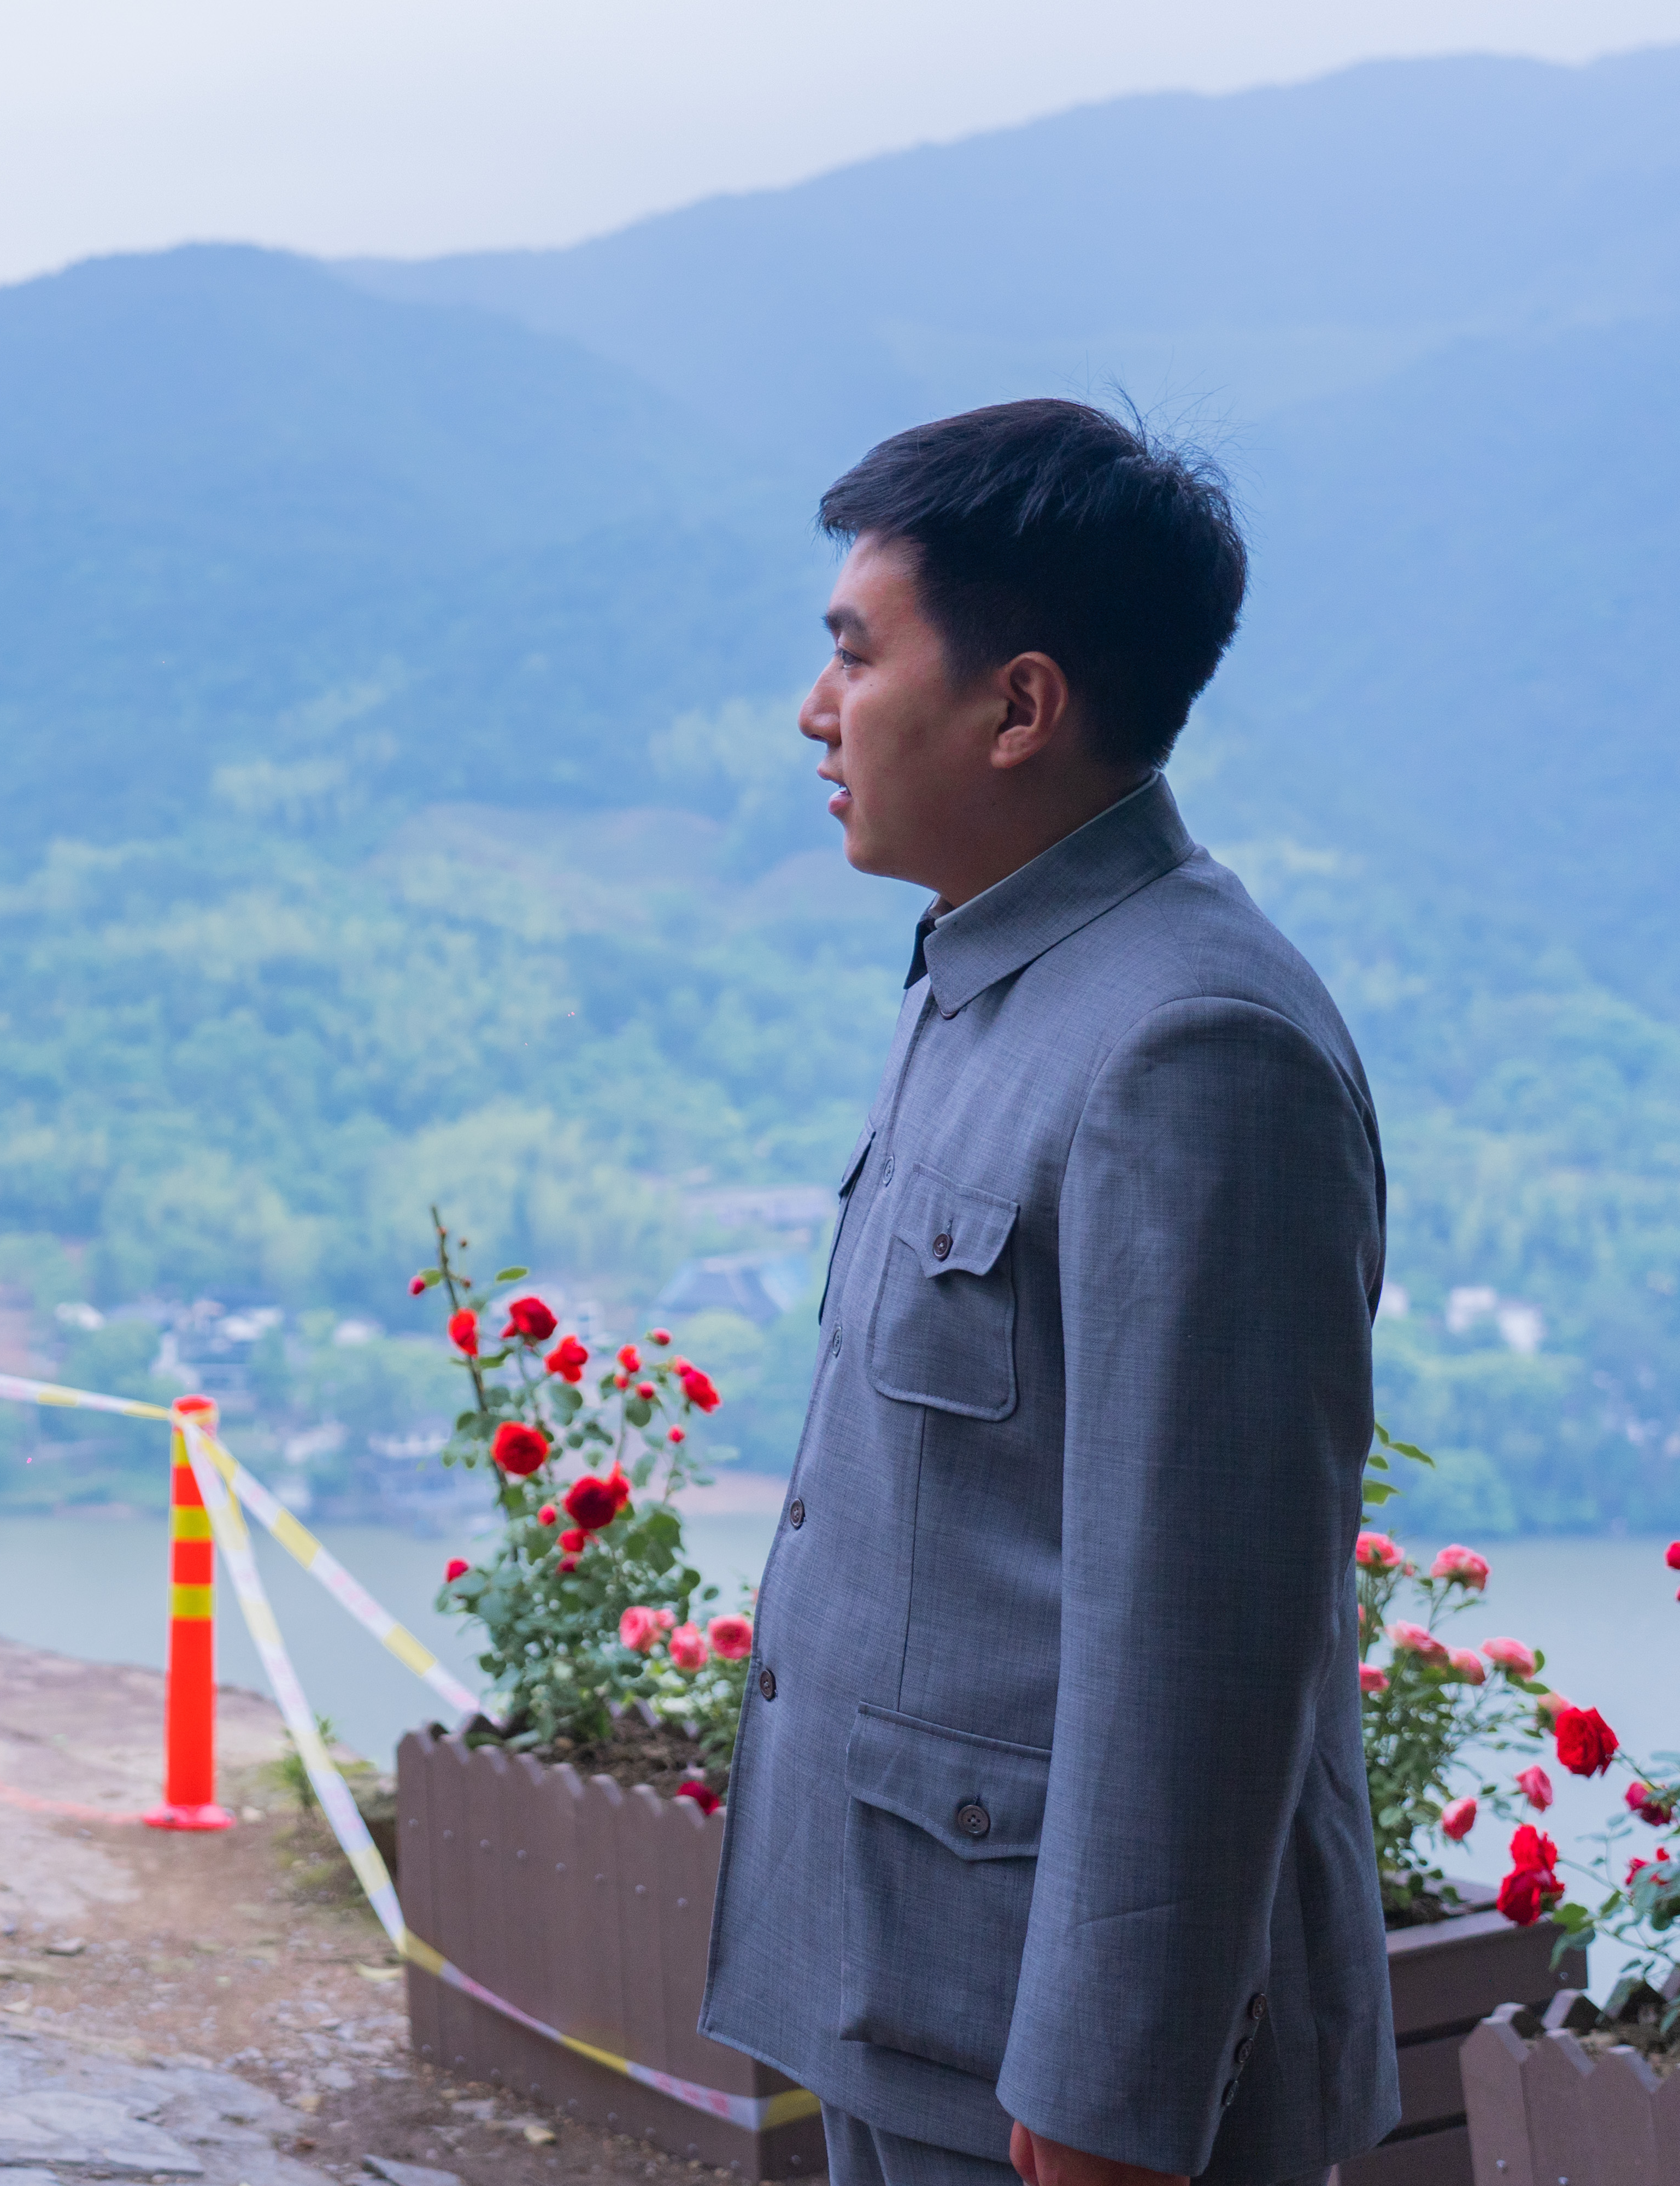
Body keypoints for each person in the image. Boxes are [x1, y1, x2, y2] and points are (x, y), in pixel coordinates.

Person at [698, 402, 1397, 2186]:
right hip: (913, 1980)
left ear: (1021, 706)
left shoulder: (1194, 1044)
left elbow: (1206, 1631)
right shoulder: (1000, 976)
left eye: (858, 654)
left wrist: (1109, 2088)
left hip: (1053, 2071)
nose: (816, 709)